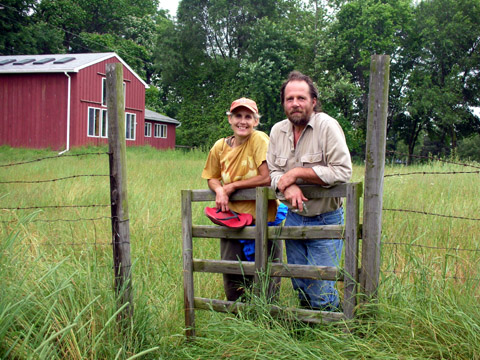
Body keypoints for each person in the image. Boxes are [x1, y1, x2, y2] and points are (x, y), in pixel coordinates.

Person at [267, 71, 352, 311]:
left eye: (301, 98)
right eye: (289, 98)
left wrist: (297, 173)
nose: (295, 103)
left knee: (321, 290)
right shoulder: (277, 131)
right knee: (300, 284)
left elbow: (343, 171)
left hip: (326, 219)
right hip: (293, 218)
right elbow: (273, 172)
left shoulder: (327, 127)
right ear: (284, 103)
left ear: (313, 101)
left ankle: (332, 336)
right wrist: (288, 183)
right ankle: (307, 335)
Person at [202, 97, 282, 302]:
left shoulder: (259, 139)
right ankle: (239, 319)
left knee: (266, 274)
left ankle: (266, 320)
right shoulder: (220, 146)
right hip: (231, 219)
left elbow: (266, 177)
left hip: (263, 217)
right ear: (230, 119)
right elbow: (211, 176)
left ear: (256, 121)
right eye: (238, 116)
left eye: (248, 117)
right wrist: (219, 190)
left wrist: (232, 186)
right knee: (232, 274)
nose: (243, 121)